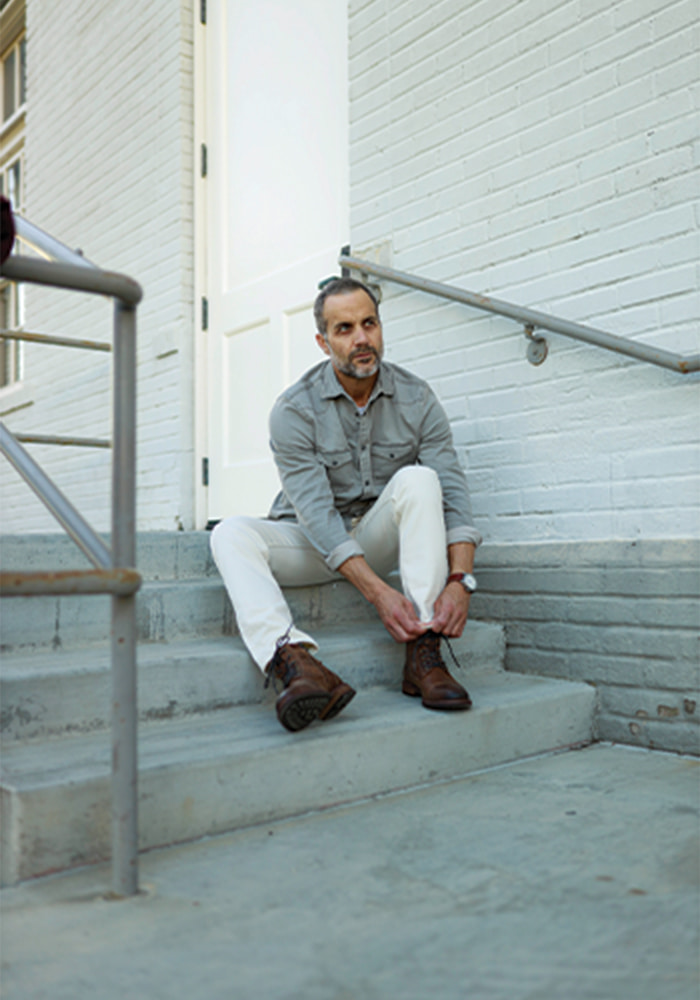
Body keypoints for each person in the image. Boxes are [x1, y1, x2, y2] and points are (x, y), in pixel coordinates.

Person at [211, 277, 482, 732]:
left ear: (380, 327)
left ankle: (423, 652)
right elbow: (316, 514)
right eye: (344, 328)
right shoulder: (294, 410)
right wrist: (378, 593)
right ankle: (295, 662)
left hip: (376, 535)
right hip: (314, 543)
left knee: (420, 480)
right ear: (322, 341)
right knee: (229, 533)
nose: (361, 339)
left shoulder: (418, 399)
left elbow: (452, 494)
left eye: (369, 323)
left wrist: (461, 580)